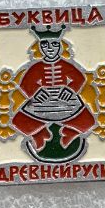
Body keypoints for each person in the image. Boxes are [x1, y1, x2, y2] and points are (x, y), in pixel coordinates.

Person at [9, 24, 95, 157]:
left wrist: (70, 90)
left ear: (60, 46)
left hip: (66, 100)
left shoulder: (66, 65)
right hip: (42, 102)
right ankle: (39, 134)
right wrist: (36, 92)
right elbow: (25, 83)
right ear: (40, 47)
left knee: (88, 121)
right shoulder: (36, 67)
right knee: (18, 121)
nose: (50, 48)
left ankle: (69, 132)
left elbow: (79, 79)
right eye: (45, 45)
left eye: (54, 44)